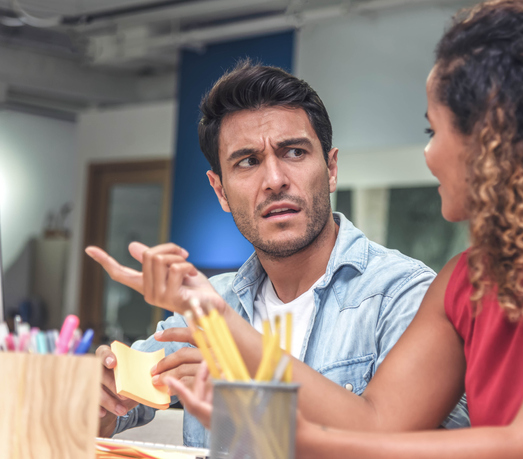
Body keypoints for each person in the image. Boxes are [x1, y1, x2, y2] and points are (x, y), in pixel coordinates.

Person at [164, 0, 523, 458]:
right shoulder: (465, 279)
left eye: (435, 131)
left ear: (498, 137)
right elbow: (380, 423)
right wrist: (220, 325)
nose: (428, 156)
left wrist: (294, 434)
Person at [86, 62, 469, 448]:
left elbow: (410, 445)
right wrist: (99, 396)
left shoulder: (403, 296)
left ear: (331, 169)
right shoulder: (209, 302)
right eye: (248, 162)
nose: (274, 180)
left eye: (294, 152)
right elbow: (107, 415)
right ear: (220, 190)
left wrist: (244, 395)